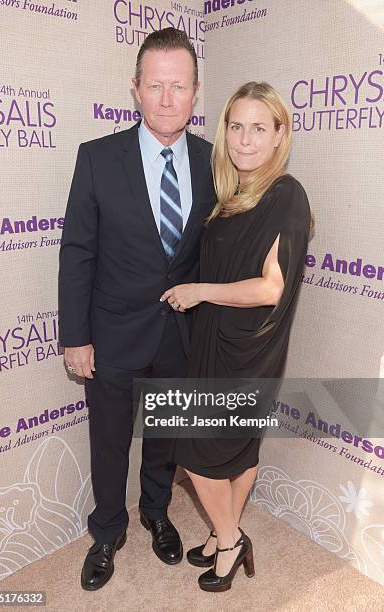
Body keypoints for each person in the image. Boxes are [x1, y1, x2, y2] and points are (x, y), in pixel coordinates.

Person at [58, 28, 215, 591]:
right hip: (112, 332)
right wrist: (75, 337)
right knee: (108, 437)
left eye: (179, 86)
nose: (167, 98)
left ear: (195, 91)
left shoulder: (213, 161)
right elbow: (78, 251)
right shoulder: (98, 158)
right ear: (136, 89)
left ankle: (157, 511)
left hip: (181, 332)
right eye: (156, 85)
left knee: (166, 433)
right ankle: (107, 531)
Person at [161, 82, 311, 592]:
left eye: (258, 128)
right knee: (239, 451)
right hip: (214, 338)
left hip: (247, 349)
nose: (245, 140)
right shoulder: (230, 193)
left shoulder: (286, 194)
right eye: (235, 126)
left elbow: (272, 289)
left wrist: (199, 290)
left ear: (278, 136)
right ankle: (226, 531)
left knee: (196, 454)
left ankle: (229, 540)